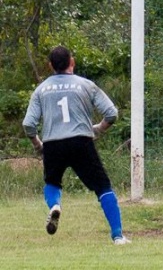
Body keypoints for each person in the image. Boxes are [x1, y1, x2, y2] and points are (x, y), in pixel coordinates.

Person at [22, 45, 130, 244]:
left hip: (53, 143)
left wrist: (38, 145)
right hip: (81, 141)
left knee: (52, 182)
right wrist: (98, 129)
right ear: (72, 62)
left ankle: (55, 206)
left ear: (50, 65)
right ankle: (117, 235)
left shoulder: (41, 89)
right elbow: (111, 113)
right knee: (103, 187)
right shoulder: (86, 85)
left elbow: (28, 124)